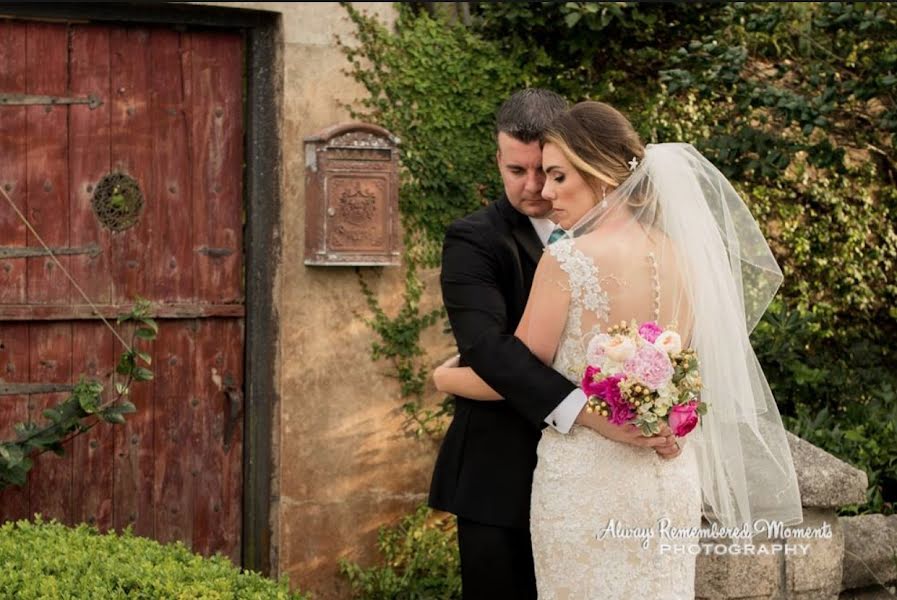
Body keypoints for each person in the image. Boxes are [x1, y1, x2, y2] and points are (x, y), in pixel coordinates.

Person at [434, 101, 803, 598]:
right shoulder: (686, 256)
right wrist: (670, 421)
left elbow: (518, 364)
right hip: (667, 473)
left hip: (586, 479)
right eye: (528, 172)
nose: (544, 190)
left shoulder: (567, 259)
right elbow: (682, 369)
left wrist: (446, 378)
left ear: (601, 175)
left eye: (558, 177)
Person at [427, 91, 680, 600]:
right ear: (498, 159)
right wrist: (593, 411)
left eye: (546, 170)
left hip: (613, 477)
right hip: (499, 477)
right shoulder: (474, 239)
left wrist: (444, 378)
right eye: (516, 170)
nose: (534, 186)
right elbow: (490, 350)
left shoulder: (642, 242)